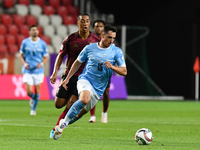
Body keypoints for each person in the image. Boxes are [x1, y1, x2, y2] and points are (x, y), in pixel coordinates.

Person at [53, 25, 127, 140]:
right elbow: (77, 62)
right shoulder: (90, 48)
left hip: (98, 89)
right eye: (109, 37)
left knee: (78, 114)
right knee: (84, 99)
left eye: (113, 38)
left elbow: (124, 71)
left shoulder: (116, 51)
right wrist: (67, 78)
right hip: (85, 80)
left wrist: (112, 67)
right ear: (102, 35)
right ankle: (63, 123)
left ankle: (63, 125)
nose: (111, 41)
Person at [49, 13, 100, 138]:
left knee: (71, 104)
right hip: (69, 76)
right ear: (78, 23)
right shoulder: (70, 39)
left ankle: (57, 128)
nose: (85, 23)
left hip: (84, 79)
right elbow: (60, 55)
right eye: (82, 21)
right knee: (58, 104)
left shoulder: (96, 40)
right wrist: (55, 72)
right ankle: (73, 109)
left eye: (87, 21)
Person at [19, 25, 48, 115]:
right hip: (28, 70)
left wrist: (42, 64)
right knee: (28, 91)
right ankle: (32, 98)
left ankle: (33, 109)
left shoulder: (42, 43)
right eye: (33, 30)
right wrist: (24, 63)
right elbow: (20, 55)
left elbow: (46, 57)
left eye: (36, 30)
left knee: (37, 90)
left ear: (38, 32)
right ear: (29, 32)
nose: (35, 31)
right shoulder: (25, 42)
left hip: (38, 71)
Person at [89, 19, 110, 123]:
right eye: (97, 26)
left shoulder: (107, 38)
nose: (99, 28)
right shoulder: (90, 38)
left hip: (105, 68)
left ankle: (104, 112)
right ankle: (92, 116)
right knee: (93, 92)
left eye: (101, 26)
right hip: (93, 69)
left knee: (105, 92)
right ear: (94, 28)